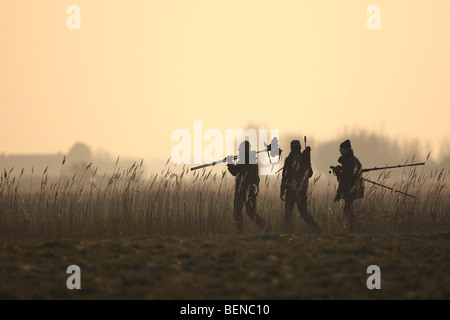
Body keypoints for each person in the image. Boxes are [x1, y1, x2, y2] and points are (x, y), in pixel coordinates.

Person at [227, 141, 270, 233]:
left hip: (243, 190)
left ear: (244, 149)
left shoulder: (244, 159)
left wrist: (230, 162)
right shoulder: (253, 159)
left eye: (240, 148)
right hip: (252, 190)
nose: (238, 150)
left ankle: (240, 232)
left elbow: (235, 172)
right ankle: (265, 227)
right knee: (251, 213)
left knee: (237, 211)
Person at [280, 140, 321, 233]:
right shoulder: (304, 158)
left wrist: (282, 190)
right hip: (302, 189)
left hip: (291, 190)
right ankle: (317, 229)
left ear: (291, 148)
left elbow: (284, 176)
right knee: (303, 212)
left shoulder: (289, 159)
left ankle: (287, 231)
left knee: (288, 212)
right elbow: (310, 174)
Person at [333, 139, 364, 232]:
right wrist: (340, 171)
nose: (339, 150)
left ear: (345, 150)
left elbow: (344, 180)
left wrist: (338, 194)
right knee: (348, 209)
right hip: (356, 188)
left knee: (347, 210)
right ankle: (355, 228)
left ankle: (356, 228)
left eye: (341, 149)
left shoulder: (347, 161)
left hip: (351, 189)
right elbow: (349, 174)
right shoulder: (353, 159)